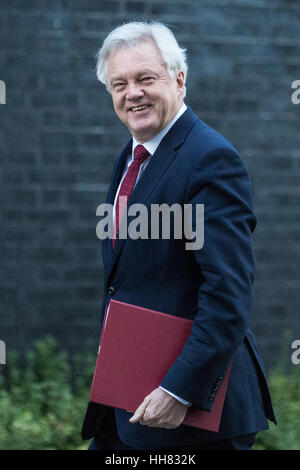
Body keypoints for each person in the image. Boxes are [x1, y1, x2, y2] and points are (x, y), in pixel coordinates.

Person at [81, 21, 276, 451]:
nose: (132, 92)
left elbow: (228, 295)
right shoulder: (132, 158)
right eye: (119, 84)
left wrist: (179, 390)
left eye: (145, 78)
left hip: (190, 413)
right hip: (130, 399)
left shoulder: (211, 159)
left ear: (179, 79)